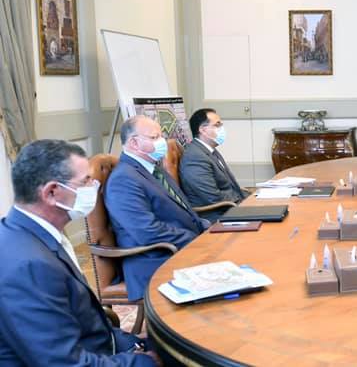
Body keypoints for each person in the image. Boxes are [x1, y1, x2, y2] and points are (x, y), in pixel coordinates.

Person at [0, 140, 158, 365]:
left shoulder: (25, 231)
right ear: (52, 192)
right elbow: (64, 363)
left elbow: (88, 324)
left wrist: (135, 346)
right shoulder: (29, 266)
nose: (94, 187)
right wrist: (144, 362)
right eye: (85, 181)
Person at [106, 116, 210, 302]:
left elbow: (181, 209)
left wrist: (207, 228)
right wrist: (195, 240)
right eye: (154, 137)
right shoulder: (123, 179)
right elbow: (147, 231)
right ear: (134, 143)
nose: (162, 142)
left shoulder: (152, 169)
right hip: (156, 260)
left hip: (178, 249)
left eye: (161, 136)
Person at [179, 108, 246, 221]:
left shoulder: (209, 150)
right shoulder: (195, 157)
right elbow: (213, 197)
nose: (222, 129)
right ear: (203, 130)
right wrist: (240, 198)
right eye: (217, 125)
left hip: (230, 207)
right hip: (215, 215)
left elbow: (228, 186)